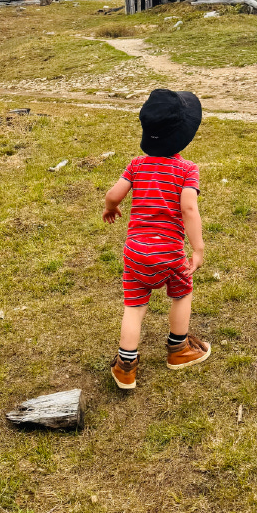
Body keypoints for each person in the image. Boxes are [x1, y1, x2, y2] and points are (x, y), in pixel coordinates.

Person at [102, 88, 211, 391]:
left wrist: (110, 207)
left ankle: (126, 367)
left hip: (135, 253)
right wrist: (198, 248)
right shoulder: (187, 170)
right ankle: (179, 349)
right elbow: (189, 209)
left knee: (134, 307)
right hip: (169, 254)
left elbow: (113, 194)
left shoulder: (136, 165)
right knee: (181, 293)